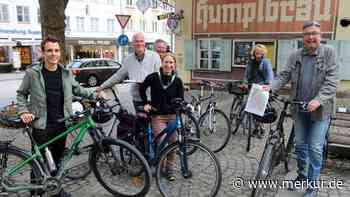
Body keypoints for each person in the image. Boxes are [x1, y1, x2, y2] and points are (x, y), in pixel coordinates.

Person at [17, 36, 95, 197]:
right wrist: (23, 111)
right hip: (41, 126)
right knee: (38, 164)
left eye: (57, 50)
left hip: (62, 125)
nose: (54, 54)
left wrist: (96, 93)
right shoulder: (33, 73)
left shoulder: (66, 73)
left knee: (57, 161)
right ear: (43, 52)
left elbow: (78, 90)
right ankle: (35, 192)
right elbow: (21, 94)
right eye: (50, 50)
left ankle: (55, 189)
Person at [270, 21, 338, 197]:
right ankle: (302, 175)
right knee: (300, 146)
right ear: (303, 37)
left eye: (314, 33)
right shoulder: (296, 55)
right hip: (299, 108)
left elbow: (332, 81)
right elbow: (284, 75)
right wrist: (270, 89)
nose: (311, 37)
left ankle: (312, 186)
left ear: (320, 35)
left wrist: (318, 100)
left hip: (321, 111)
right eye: (307, 34)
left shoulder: (329, 52)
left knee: (315, 147)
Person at [139, 53, 184, 181]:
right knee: (162, 143)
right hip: (157, 116)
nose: (168, 65)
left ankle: (169, 170)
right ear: (162, 63)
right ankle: (160, 167)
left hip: (172, 117)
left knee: (173, 144)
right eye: (166, 62)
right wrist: (145, 103)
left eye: (171, 63)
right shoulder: (153, 77)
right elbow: (142, 88)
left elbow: (180, 99)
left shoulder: (177, 81)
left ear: (174, 65)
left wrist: (181, 108)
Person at [244, 44, 274, 138]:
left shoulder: (266, 62)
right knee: (253, 110)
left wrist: (268, 86)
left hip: (262, 88)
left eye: (260, 53)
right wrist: (245, 82)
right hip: (252, 87)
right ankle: (256, 128)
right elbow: (247, 74)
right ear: (254, 53)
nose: (258, 55)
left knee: (260, 110)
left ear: (263, 54)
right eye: (256, 53)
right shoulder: (251, 62)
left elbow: (270, 76)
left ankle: (262, 128)